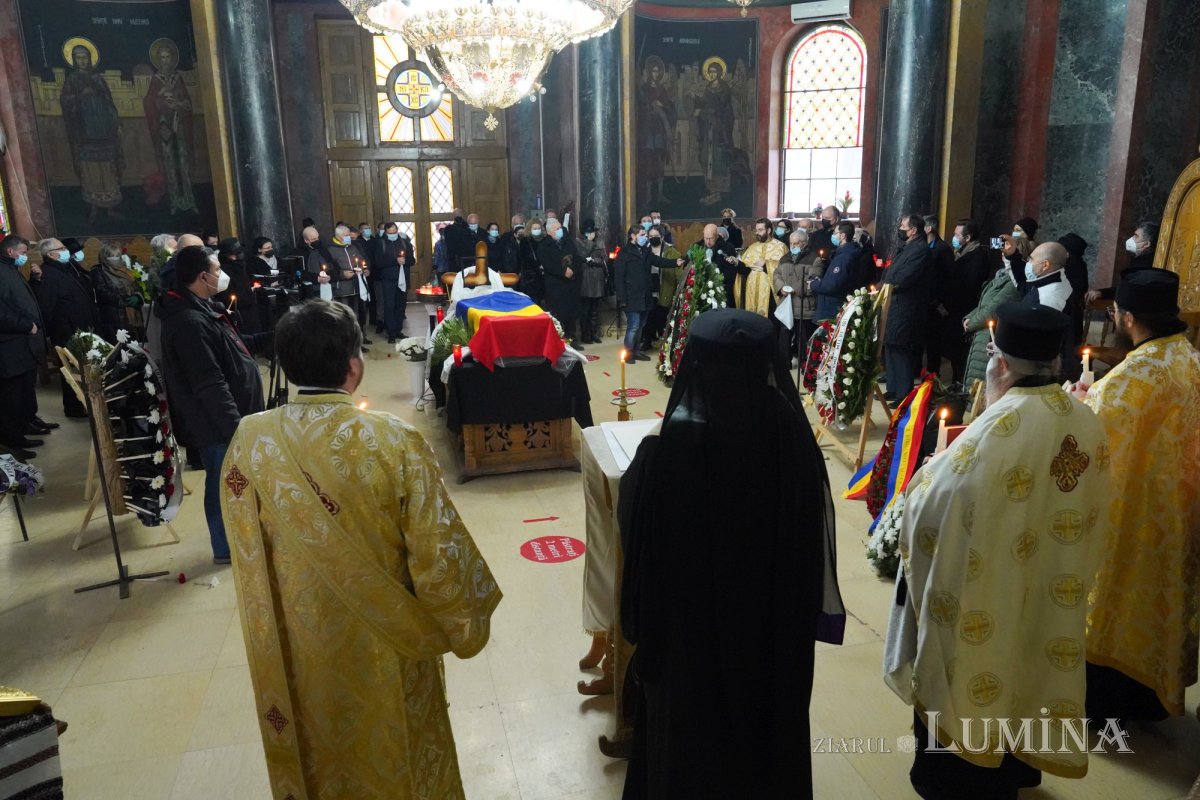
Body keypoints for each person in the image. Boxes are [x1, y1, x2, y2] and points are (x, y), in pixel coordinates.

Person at [220, 299, 500, 799]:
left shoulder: (250, 440)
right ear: (354, 365)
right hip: (390, 645)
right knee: (400, 753)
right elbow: (438, 554)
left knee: (321, 751)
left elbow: (248, 555)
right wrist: (464, 620)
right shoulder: (394, 441)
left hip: (301, 650)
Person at [884, 302, 1109, 799]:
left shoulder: (992, 431)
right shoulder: (1085, 421)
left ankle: (960, 777)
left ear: (1000, 364)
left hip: (987, 592)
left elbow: (928, 513)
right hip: (1052, 583)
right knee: (1032, 661)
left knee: (974, 666)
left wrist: (929, 472)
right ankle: (1019, 765)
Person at [619, 309, 843, 799]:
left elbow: (640, 552)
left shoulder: (666, 453)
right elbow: (808, 554)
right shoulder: (795, 444)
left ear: (697, 361)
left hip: (689, 639)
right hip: (769, 637)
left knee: (690, 741)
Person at [1079, 269, 1200, 722]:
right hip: (1180, 515)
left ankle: (1110, 702)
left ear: (1127, 317)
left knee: (1117, 603)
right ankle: (1153, 699)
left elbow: (1095, 440)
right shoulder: (1190, 359)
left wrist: (1083, 401)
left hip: (1132, 519)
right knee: (1163, 604)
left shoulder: (1132, 376)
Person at [157, 246, 270, 565]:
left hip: (227, 416)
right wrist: (236, 427)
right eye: (217, 269)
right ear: (202, 276)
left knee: (233, 481)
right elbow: (209, 383)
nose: (222, 275)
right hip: (216, 423)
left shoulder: (203, 307)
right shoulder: (189, 321)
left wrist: (273, 336)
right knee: (223, 483)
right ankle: (224, 547)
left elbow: (235, 349)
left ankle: (237, 539)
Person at [30, 237, 96, 418]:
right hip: (67, 332)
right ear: (51, 254)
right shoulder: (48, 274)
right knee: (72, 371)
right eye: (62, 247)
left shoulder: (63, 269)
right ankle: (74, 408)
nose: (66, 250)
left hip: (79, 329)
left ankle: (82, 404)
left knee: (81, 369)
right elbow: (47, 307)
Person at [60, 44, 123, 223]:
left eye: (85, 57)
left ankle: (111, 207)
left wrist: (115, 123)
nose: (83, 61)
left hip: (104, 133)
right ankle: (94, 207)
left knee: (108, 170)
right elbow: (65, 101)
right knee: (91, 170)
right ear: (74, 60)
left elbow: (109, 103)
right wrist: (81, 96)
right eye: (79, 58)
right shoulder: (72, 80)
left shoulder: (98, 79)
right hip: (86, 134)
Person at [0, 236, 49, 459]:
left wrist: (35, 281)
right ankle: (12, 445)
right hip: (9, 347)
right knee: (11, 399)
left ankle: (21, 433)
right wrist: (26, 324)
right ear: (11, 252)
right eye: (22, 252)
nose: (25, 256)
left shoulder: (9, 269)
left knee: (23, 393)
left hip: (22, 344)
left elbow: (18, 300)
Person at [931, 218, 990, 383]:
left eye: (957, 234)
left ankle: (958, 383)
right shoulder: (962, 254)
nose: (954, 237)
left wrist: (948, 304)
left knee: (959, 353)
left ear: (968, 238)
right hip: (953, 310)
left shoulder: (978, 258)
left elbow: (967, 286)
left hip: (962, 310)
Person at [882, 214, 933, 402]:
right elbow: (890, 271)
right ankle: (893, 388)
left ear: (913, 230)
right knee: (890, 344)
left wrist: (887, 285)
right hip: (893, 304)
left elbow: (906, 277)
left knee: (900, 347)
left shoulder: (920, 250)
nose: (900, 229)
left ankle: (904, 393)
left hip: (906, 306)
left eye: (903, 226)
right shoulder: (906, 248)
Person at [961, 233, 1022, 391]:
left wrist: (972, 323)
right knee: (973, 383)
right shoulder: (1001, 276)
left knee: (983, 386)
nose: (1002, 253)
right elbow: (985, 302)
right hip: (981, 334)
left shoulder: (1014, 282)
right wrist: (969, 317)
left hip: (991, 334)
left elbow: (994, 308)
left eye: (1006, 250)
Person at [144, 38, 197, 215]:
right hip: (165, 129)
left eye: (168, 57)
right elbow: (149, 103)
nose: (165, 60)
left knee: (183, 163)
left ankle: (188, 201)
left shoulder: (177, 78)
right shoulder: (156, 80)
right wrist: (160, 98)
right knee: (170, 165)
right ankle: (174, 201)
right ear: (158, 60)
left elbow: (188, 103)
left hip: (179, 127)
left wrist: (179, 104)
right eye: (162, 57)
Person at [773, 228, 823, 358]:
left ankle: (804, 366)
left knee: (803, 340)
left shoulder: (815, 259)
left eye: (796, 243)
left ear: (804, 243)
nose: (793, 246)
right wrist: (781, 288)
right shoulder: (785, 258)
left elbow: (813, 280)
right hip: (786, 305)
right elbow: (777, 274)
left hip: (804, 307)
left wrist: (793, 289)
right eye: (791, 243)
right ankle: (784, 364)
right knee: (784, 339)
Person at [1085, 221, 1160, 303]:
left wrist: (1102, 293)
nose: (1132, 239)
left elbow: (1126, 289)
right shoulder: (1146, 260)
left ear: (1146, 244)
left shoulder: (1143, 264)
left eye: (1136, 236)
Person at [538, 218, 584, 347]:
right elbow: (547, 264)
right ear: (550, 232)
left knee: (571, 313)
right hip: (556, 284)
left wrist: (572, 270)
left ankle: (572, 339)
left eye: (560, 228)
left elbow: (577, 258)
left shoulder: (568, 242)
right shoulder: (543, 245)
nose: (560, 231)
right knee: (558, 313)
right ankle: (559, 341)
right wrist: (563, 271)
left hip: (571, 284)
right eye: (557, 229)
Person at [638, 56, 676, 207]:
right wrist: (649, 107)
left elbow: (670, 108)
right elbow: (638, 109)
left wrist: (662, 106)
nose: (655, 74)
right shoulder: (643, 89)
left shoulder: (662, 90)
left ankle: (660, 194)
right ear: (649, 72)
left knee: (659, 162)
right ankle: (647, 196)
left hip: (659, 129)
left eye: (657, 71)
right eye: (653, 71)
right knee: (648, 163)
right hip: (647, 130)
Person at [922, 215, 957, 377]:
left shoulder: (942, 249)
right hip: (925, 300)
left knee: (934, 342)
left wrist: (942, 302)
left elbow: (949, 278)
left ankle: (933, 374)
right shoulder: (924, 246)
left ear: (929, 228)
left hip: (937, 303)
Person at [731, 218, 787, 316]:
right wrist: (737, 263)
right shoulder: (752, 248)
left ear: (768, 230)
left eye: (760, 230)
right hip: (751, 290)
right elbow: (745, 270)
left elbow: (785, 269)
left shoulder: (780, 247)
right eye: (756, 230)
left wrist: (766, 264)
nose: (757, 233)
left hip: (769, 292)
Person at [615, 226, 654, 361]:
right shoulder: (624, 253)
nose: (645, 237)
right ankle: (628, 353)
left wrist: (675, 262)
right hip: (631, 296)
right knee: (633, 326)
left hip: (645, 296)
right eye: (642, 234)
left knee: (641, 325)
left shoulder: (645, 251)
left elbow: (658, 261)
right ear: (633, 236)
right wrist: (622, 298)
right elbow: (618, 277)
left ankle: (636, 351)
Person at [640, 224, 682, 350]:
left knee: (662, 317)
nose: (653, 238)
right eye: (650, 236)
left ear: (662, 237)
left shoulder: (672, 252)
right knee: (648, 317)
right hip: (648, 289)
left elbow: (678, 275)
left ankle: (664, 343)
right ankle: (647, 340)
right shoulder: (643, 251)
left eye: (656, 236)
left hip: (665, 288)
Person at [809, 221, 860, 323]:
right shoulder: (841, 254)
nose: (832, 235)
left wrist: (813, 284)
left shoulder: (844, 257)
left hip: (832, 308)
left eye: (835, 233)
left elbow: (833, 285)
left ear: (842, 236)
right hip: (829, 306)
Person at [91, 243, 143, 342]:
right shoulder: (98, 272)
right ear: (104, 257)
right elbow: (102, 291)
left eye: (117, 256)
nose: (115, 259)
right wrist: (124, 300)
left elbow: (137, 287)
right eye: (112, 256)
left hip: (132, 317)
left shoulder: (126, 271)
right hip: (114, 318)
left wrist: (137, 297)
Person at [377, 222, 414, 343]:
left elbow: (412, 260)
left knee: (401, 305)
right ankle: (391, 332)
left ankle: (398, 330)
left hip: (403, 279)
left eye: (394, 232)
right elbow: (378, 263)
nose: (393, 235)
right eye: (390, 233)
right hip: (388, 279)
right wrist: (395, 261)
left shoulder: (405, 243)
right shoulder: (381, 243)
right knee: (389, 305)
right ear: (386, 232)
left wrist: (405, 261)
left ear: (397, 231)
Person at [578, 219, 607, 344]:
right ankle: (586, 335)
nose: (593, 234)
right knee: (586, 310)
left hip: (597, 280)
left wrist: (595, 261)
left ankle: (594, 333)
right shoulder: (579, 242)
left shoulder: (599, 243)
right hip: (586, 279)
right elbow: (583, 255)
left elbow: (603, 258)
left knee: (595, 309)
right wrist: (589, 242)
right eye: (590, 232)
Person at [695, 222, 738, 301]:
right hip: (700, 292)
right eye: (706, 238)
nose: (708, 242)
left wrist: (715, 282)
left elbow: (731, 273)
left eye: (711, 238)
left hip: (721, 291)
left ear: (717, 236)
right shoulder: (697, 246)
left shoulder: (728, 248)